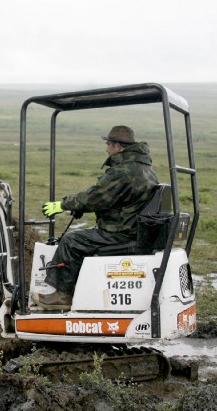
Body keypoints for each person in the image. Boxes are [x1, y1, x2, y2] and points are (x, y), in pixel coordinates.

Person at [35, 125, 159, 309]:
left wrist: (62, 205)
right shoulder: (144, 168)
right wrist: (82, 207)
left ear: (118, 146)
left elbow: (95, 197)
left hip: (121, 232)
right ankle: (76, 288)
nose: (106, 148)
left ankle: (62, 297)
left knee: (71, 242)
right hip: (133, 229)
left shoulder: (124, 171)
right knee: (80, 238)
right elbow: (114, 200)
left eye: (108, 144)